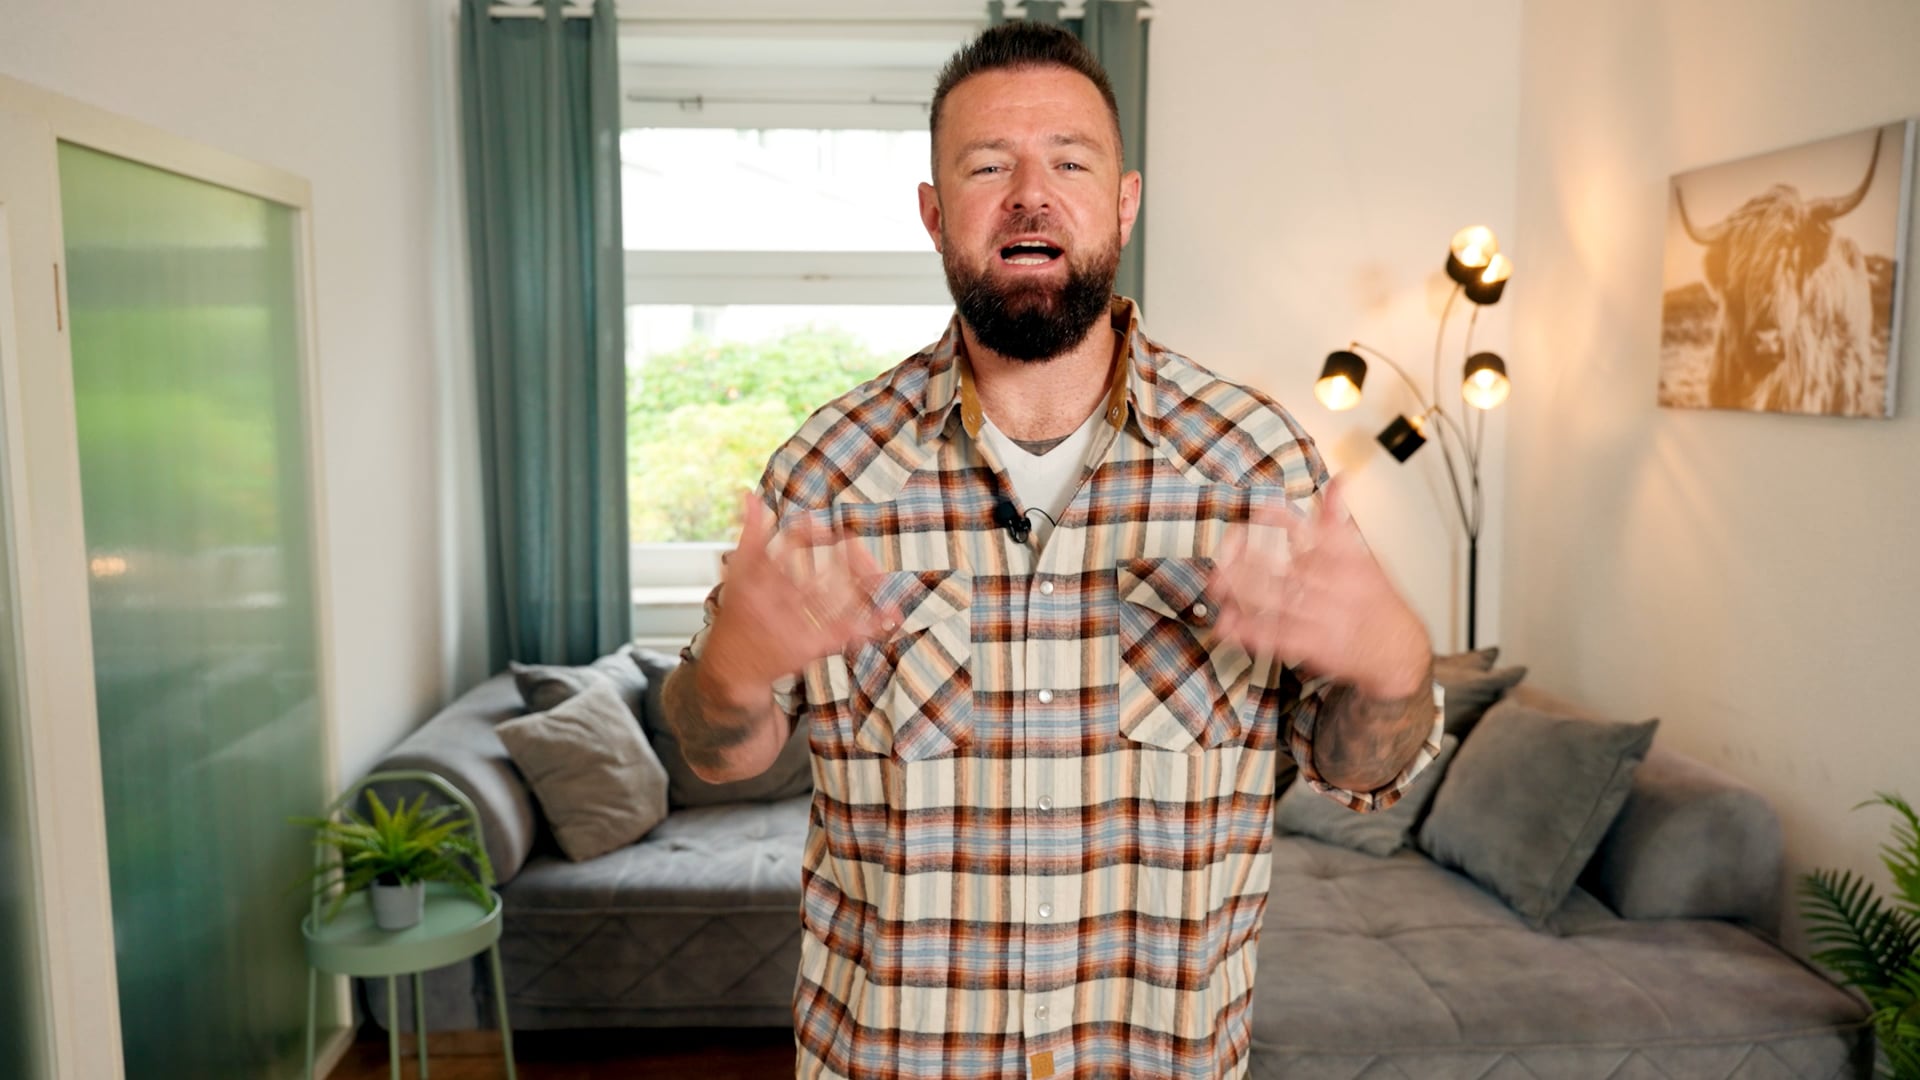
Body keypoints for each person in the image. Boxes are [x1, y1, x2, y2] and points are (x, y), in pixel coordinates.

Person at [662, 21, 1442, 1080]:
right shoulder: (826, 474)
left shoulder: (1259, 467)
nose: (1031, 195)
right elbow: (716, 750)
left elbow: (1357, 772)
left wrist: (1395, 668)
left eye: (1069, 162)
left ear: (1123, 201)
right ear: (935, 213)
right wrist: (728, 674)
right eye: (988, 166)